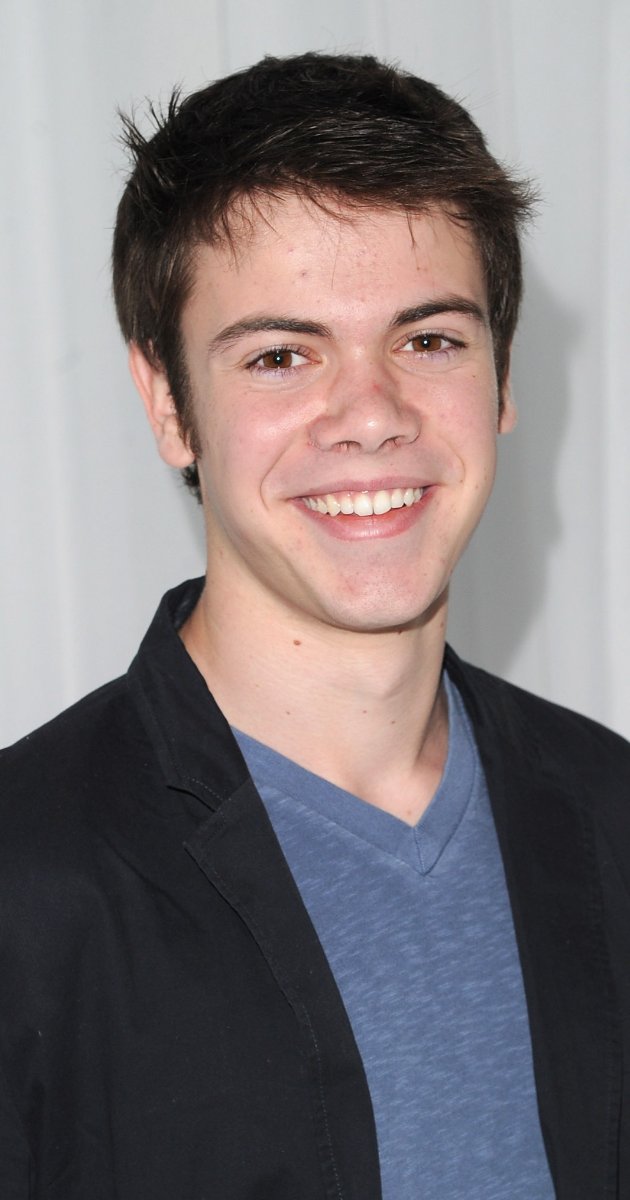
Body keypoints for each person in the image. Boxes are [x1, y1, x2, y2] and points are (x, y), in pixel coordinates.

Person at [0, 51, 628, 1200]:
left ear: (502, 379)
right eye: (282, 356)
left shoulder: (612, 816)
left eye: (428, 340)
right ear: (167, 402)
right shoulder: (26, 889)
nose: (371, 414)